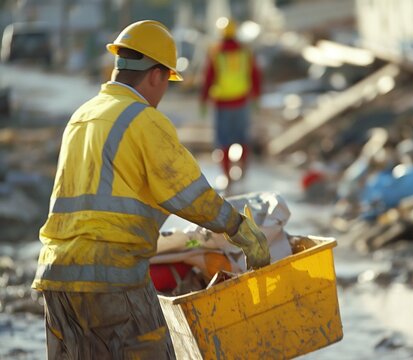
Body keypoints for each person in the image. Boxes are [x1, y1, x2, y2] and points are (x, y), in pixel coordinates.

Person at [31, 20, 270, 360]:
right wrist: (239, 229)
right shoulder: (143, 119)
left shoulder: (82, 116)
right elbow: (191, 195)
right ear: (156, 74)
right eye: (167, 81)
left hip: (56, 277)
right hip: (112, 278)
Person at [199, 17, 262, 185]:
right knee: (242, 138)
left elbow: (208, 78)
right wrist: (257, 96)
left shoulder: (216, 51)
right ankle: (242, 173)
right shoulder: (245, 51)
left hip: (222, 104)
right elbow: (255, 74)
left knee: (223, 141)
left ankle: (227, 178)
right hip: (242, 101)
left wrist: (203, 101)